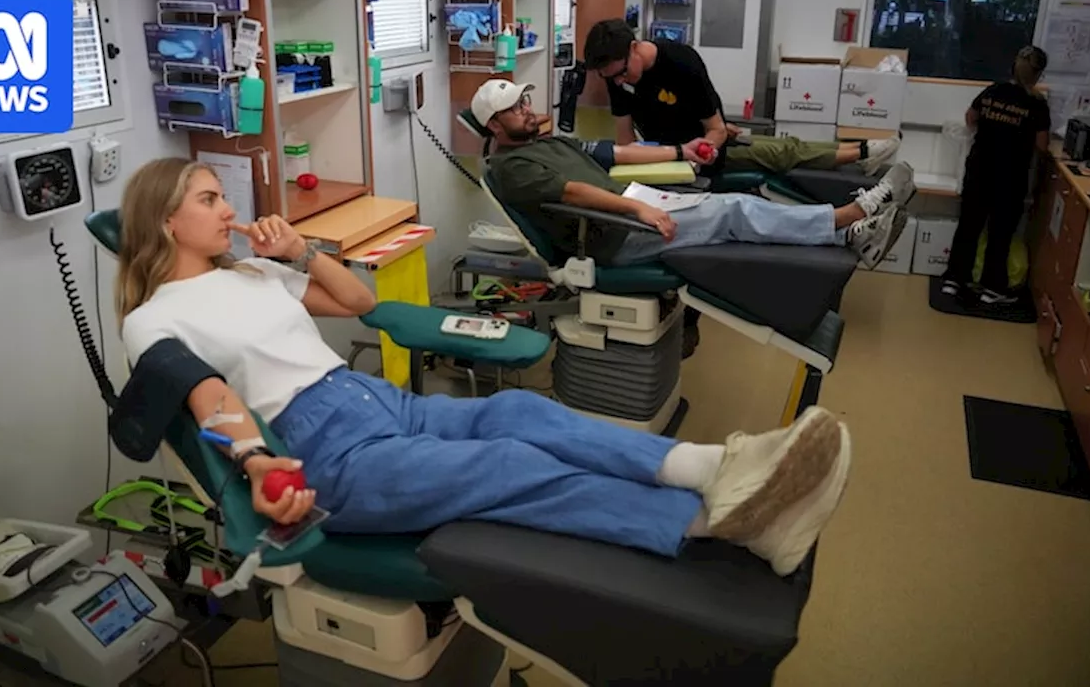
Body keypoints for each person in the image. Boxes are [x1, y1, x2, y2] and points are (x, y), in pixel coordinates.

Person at [115, 157, 855, 578]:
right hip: (325, 448)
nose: (226, 208)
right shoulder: (152, 319)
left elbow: (359, 299)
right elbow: (207, 393)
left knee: (520, 413)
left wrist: (297, 252)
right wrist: (255, 463)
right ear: (165, 220)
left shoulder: (250, 274)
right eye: (210, 199)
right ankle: (717, 522)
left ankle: (712, 467)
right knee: (504, 461)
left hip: (374, 401)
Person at [475, 78, 915, 271]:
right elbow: (571, 192)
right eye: (514, 108)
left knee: (732, 208)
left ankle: (850, 236)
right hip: (613, 234)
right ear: (494, 126)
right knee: (736, 210)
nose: (527, 110)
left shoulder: (546, 141)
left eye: (524, 102)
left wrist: (679, 152)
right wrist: (636, 208)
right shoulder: (511, 168)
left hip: (634, 208)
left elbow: (615, 152)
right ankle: (847, 216)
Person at [583, 19, 900, 177]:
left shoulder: (682, 63)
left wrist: (705, 148)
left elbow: (716, 130)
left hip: (705, 146)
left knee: (781, 150)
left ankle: (862, 153)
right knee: (780, 149)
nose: (620, 81)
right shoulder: (615, 75)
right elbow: (624, 140)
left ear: (635, 47)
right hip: (670, 155)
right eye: (612, 78)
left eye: (623, 72)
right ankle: (863, 152)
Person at [941, 46, 1052, 306]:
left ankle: (954, 280)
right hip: (1009, 177)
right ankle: (992, 288)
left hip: (979, 169)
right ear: (1038, 75)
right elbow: (1042, 146)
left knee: (969, 226)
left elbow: (970, 118)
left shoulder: (993, 90)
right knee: (999, 233)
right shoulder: (1036, 105)